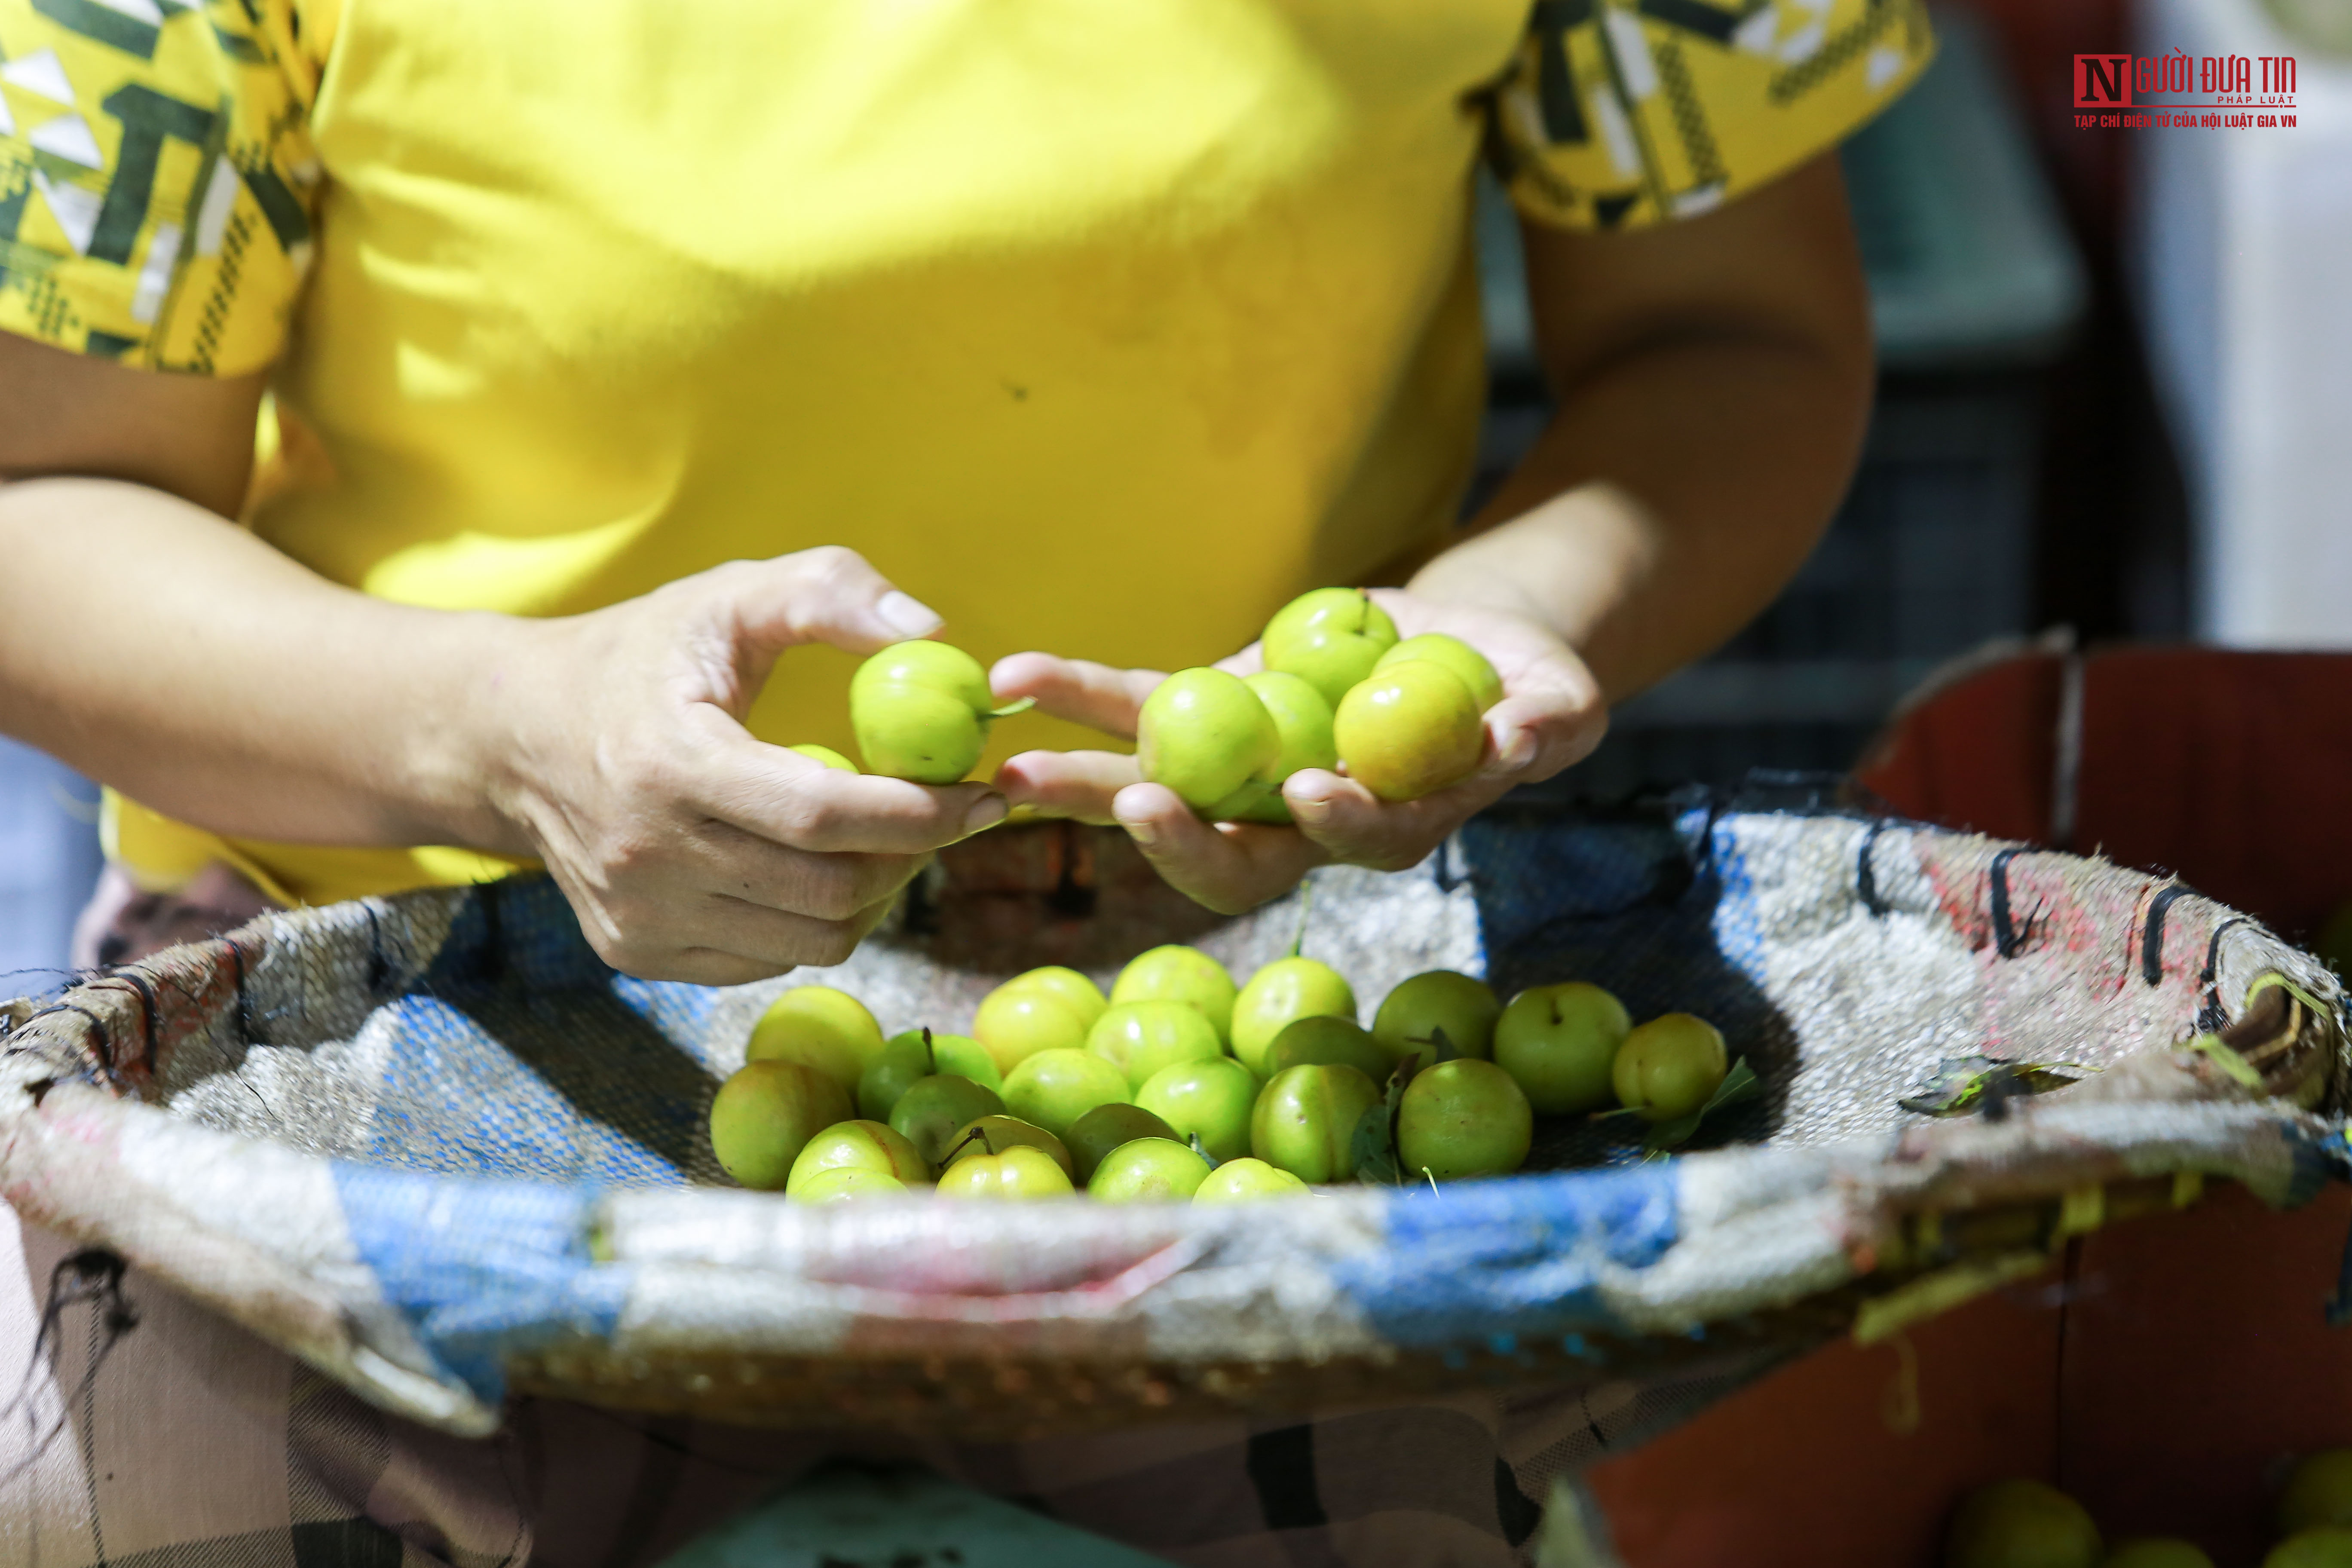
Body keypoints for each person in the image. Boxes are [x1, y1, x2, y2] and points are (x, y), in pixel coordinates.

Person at [0, 0, 1928, 1561]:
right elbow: (38, 491)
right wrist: (508, 738)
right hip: (387, 1023)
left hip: (1270, 1031)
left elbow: (1728, 332)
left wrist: (1476, 633)